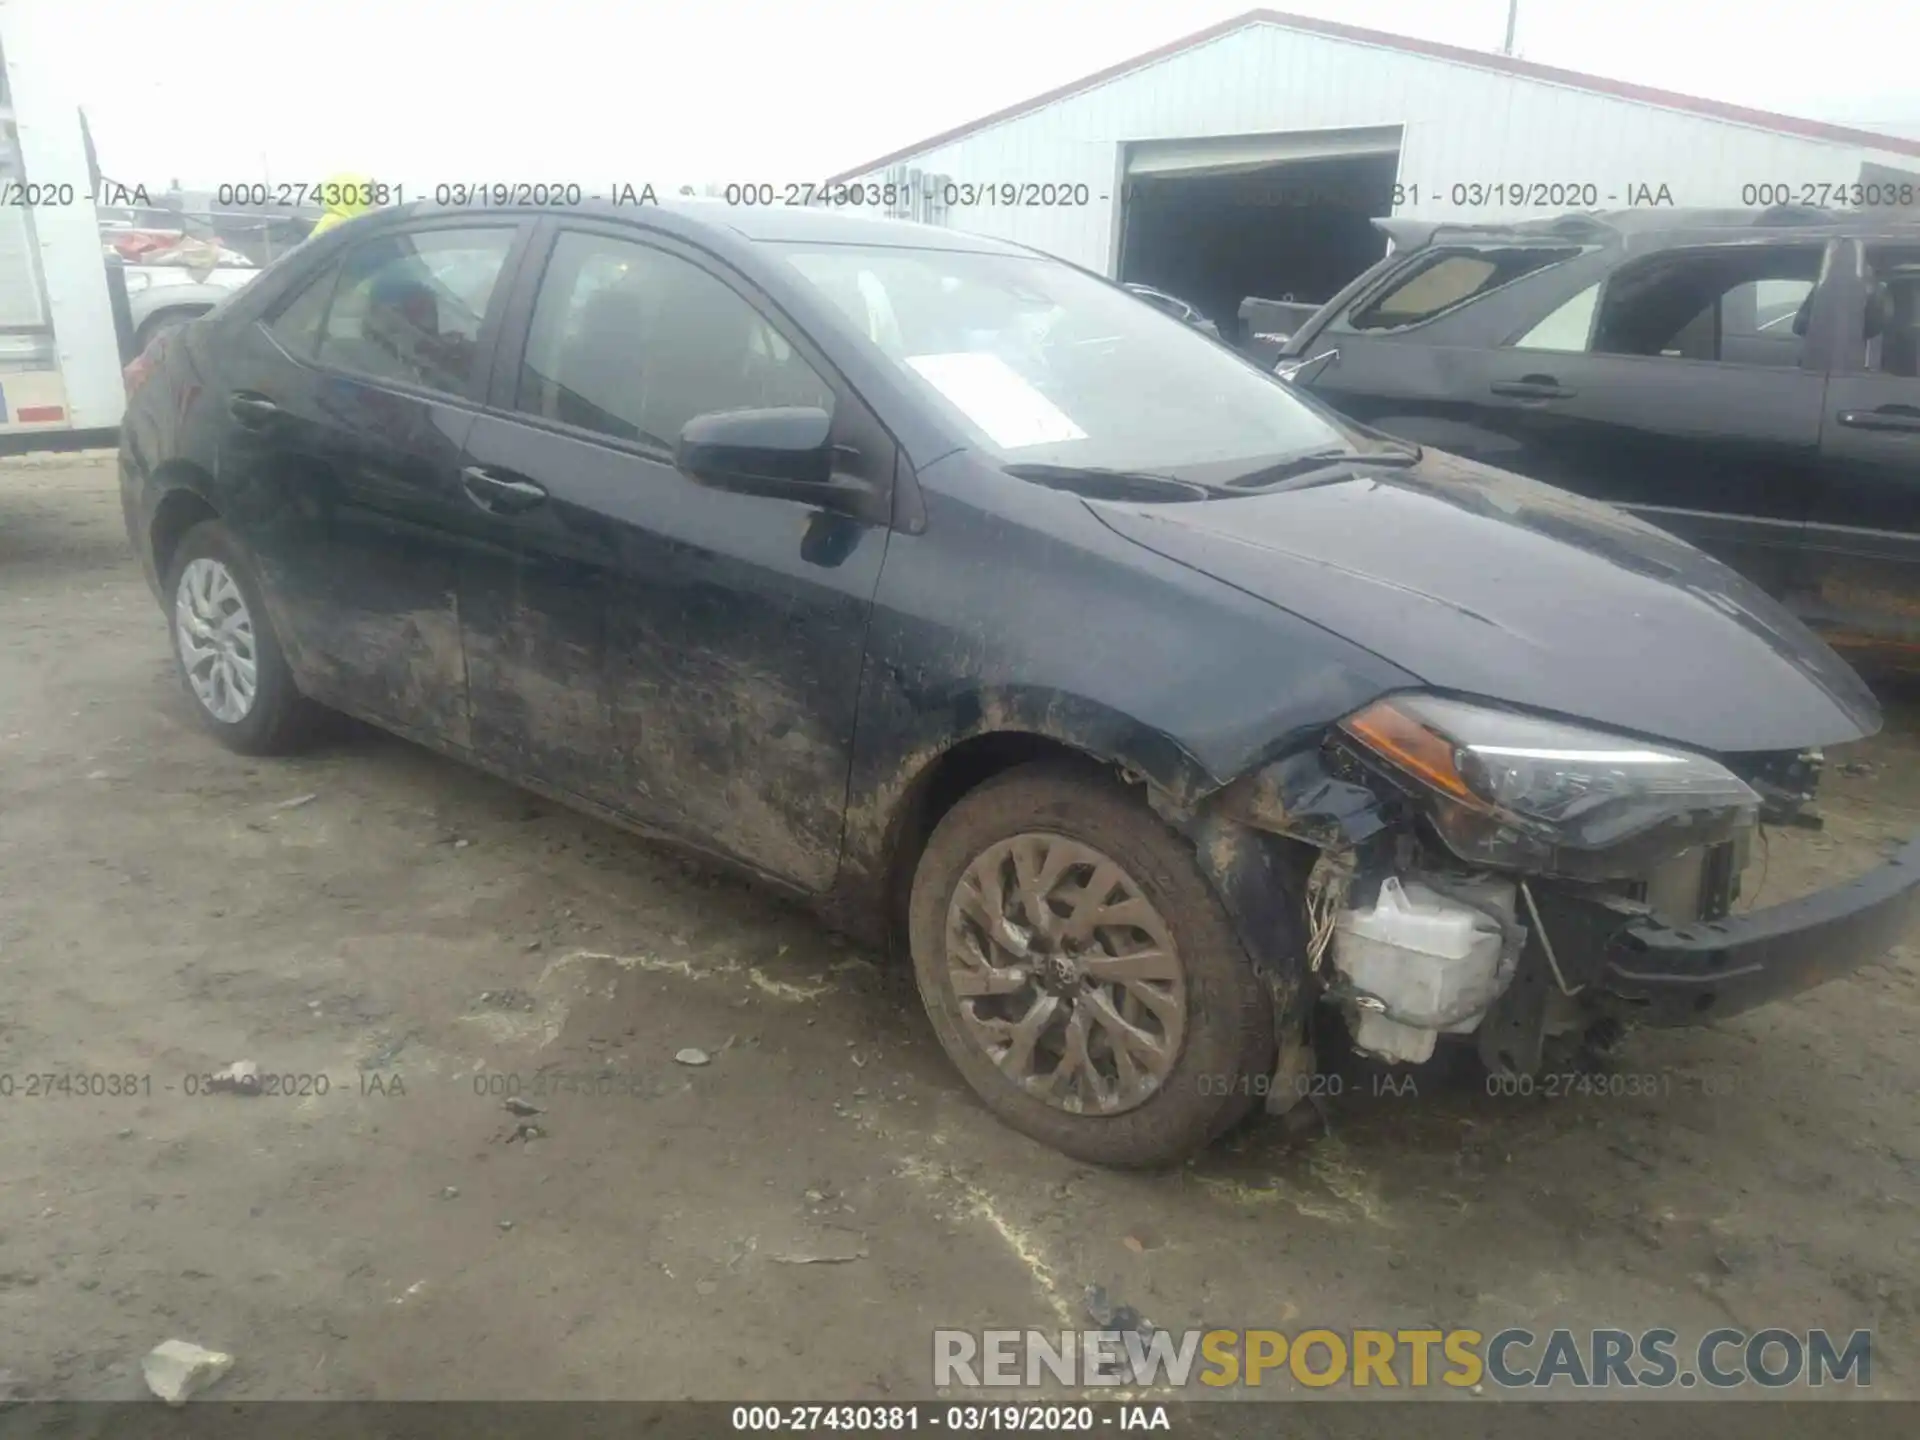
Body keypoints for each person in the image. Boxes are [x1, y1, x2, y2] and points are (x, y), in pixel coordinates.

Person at [308, 174, 379, 238]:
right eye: (371, 197)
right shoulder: (337, 226)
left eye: (377, 198)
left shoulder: (338, 222)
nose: (376, 204)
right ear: (351, 197)